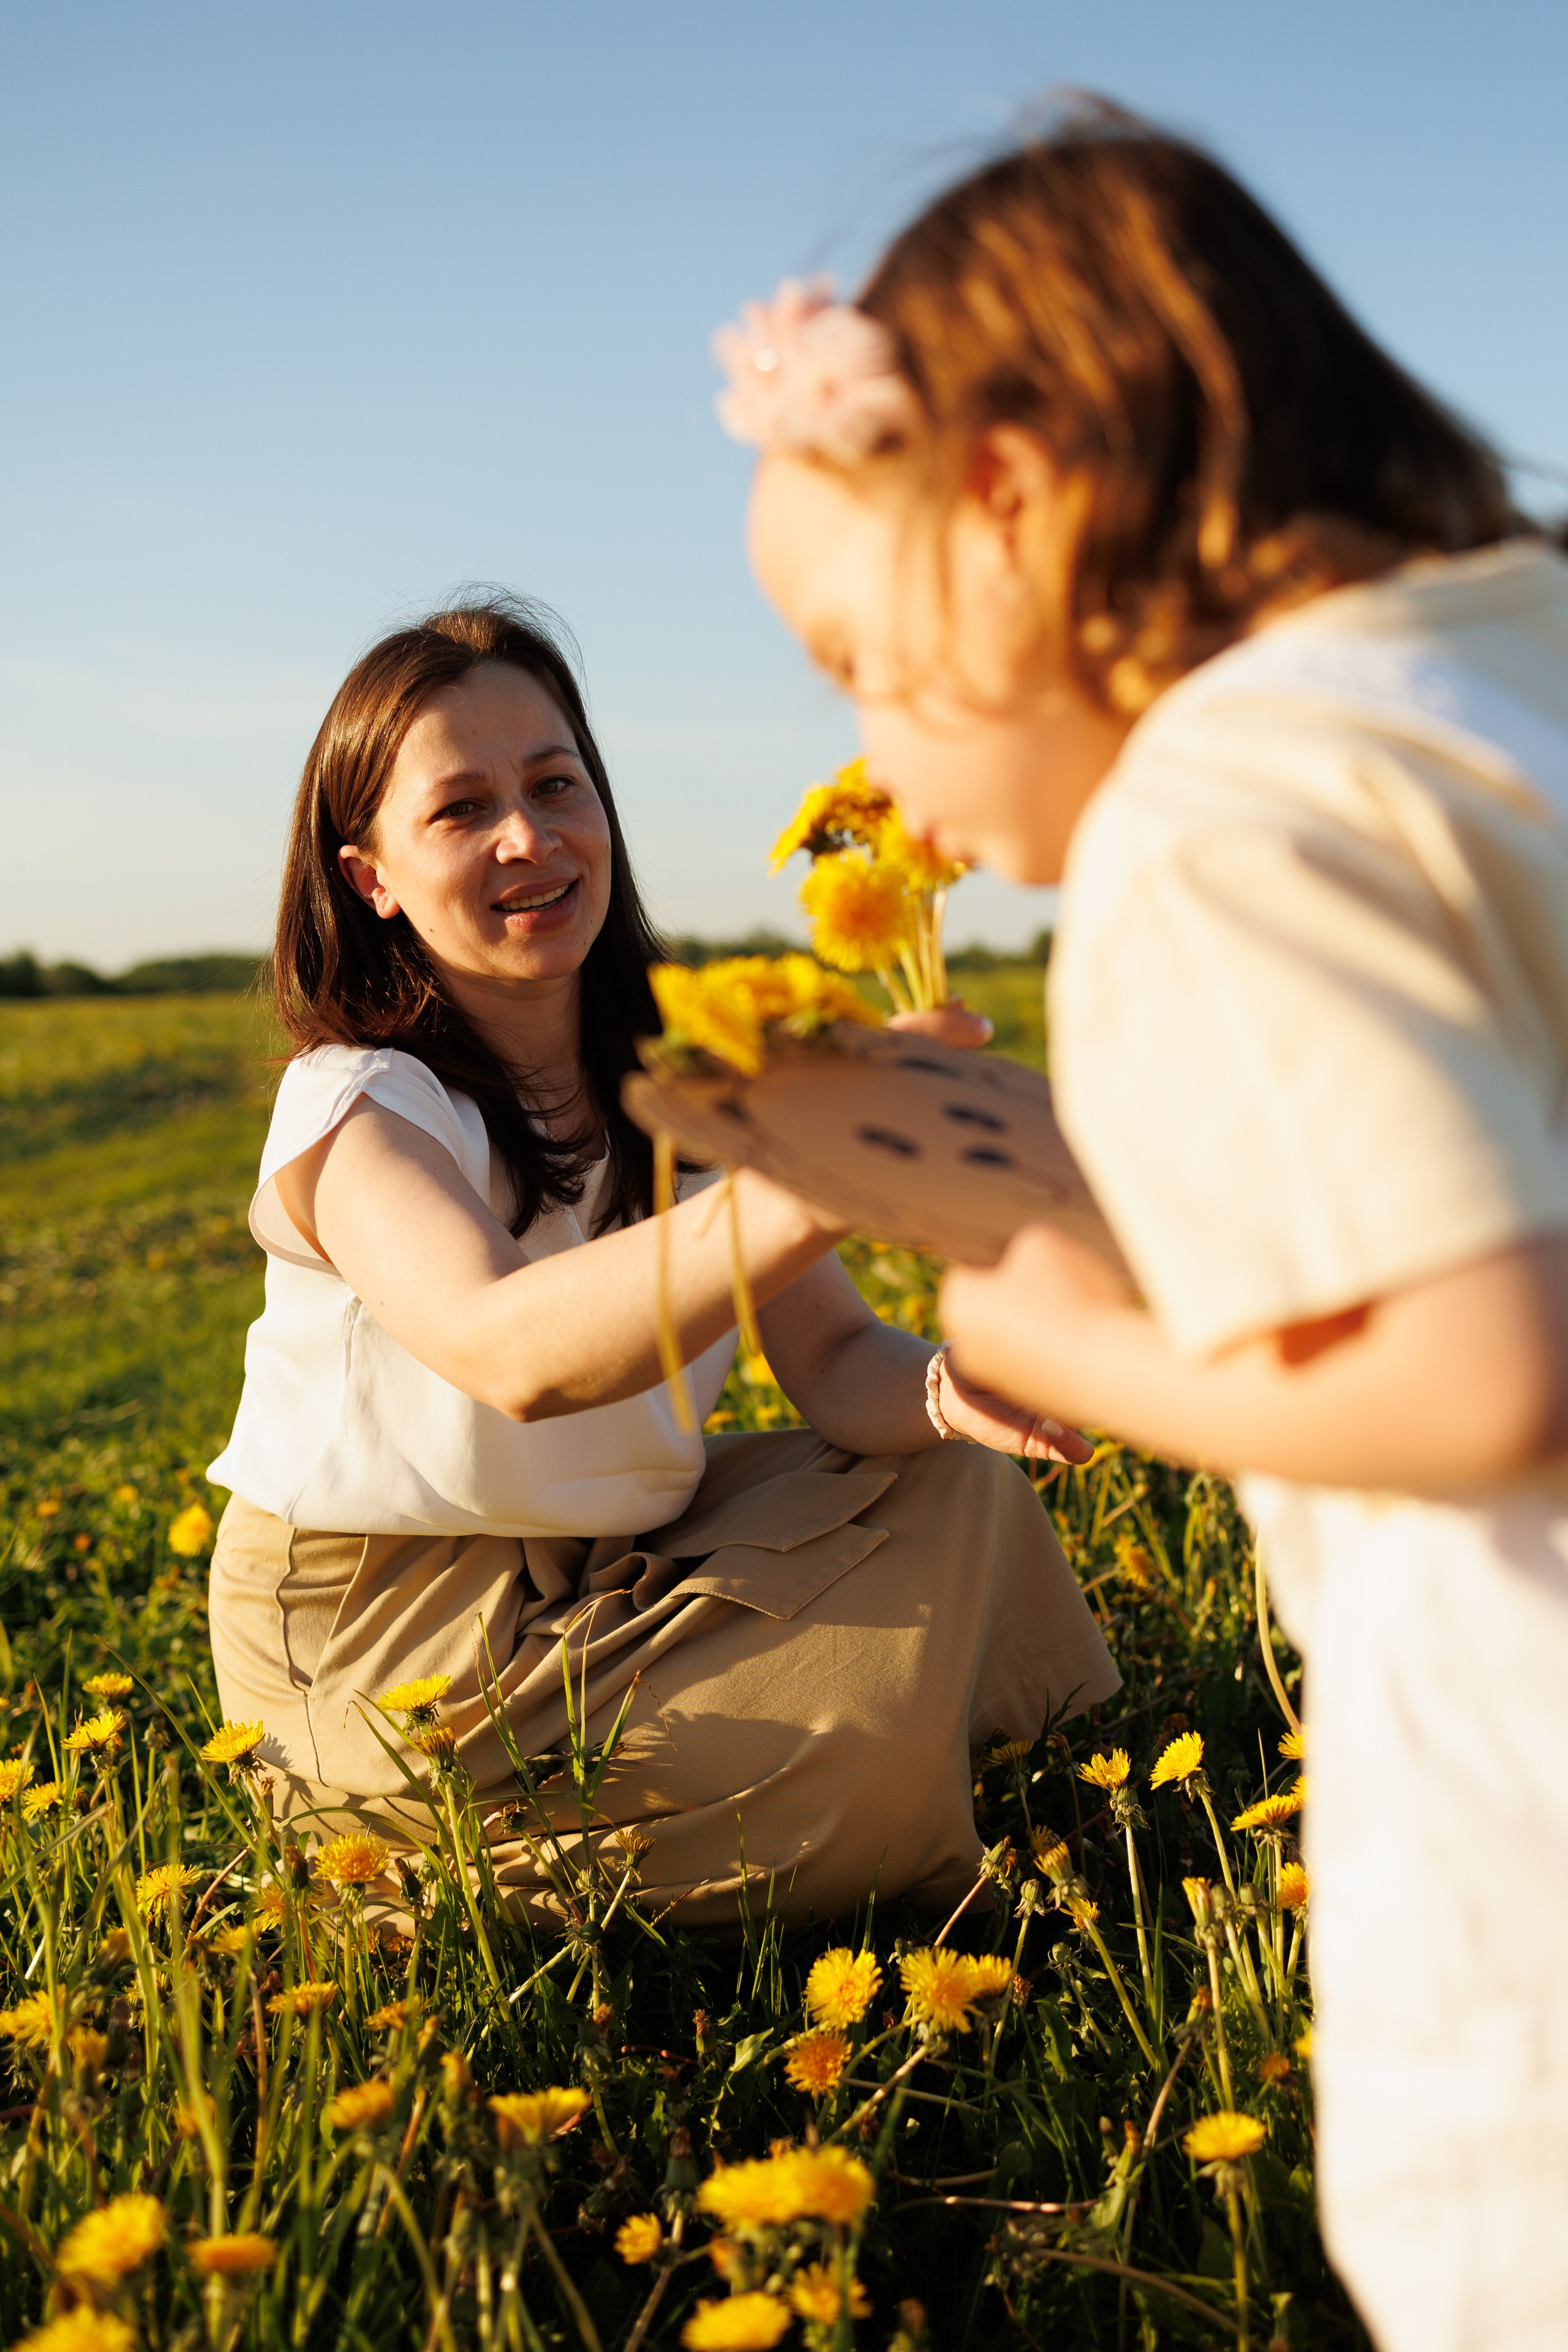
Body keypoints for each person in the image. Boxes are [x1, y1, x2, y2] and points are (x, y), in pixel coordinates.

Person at [724, 105, 1568, 2351]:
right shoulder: (1507, 675)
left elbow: (1497, 1361)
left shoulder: (1216, 806)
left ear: (1010, 494)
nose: (871, 755)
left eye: (858, 652)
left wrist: (1074, 1344)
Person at [205, 596, 1117, 1929]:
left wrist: (950, 1390)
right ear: (372, 878)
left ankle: (913, 1774)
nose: (529, 838)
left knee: (950, 1479)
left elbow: (839, 1360)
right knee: (852, 1766)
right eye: (461, 811)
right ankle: (423, 1870)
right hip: (391, 1645)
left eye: (555, 783)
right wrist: (821, 1167)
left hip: (605, 1573)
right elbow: (509, 1348)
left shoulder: (678, 1078)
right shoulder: (358, 1104)